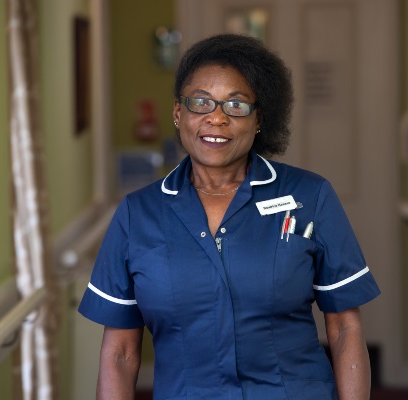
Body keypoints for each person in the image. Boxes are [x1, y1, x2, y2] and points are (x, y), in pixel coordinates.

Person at [79, 33, 380, 400]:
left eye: (236, 105)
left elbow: (345, 329)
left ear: (258, 119)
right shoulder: (137, 214)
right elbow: (120, 354)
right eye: (201, 103)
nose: (217, 118)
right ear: (179, 113)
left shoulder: (310, 196)